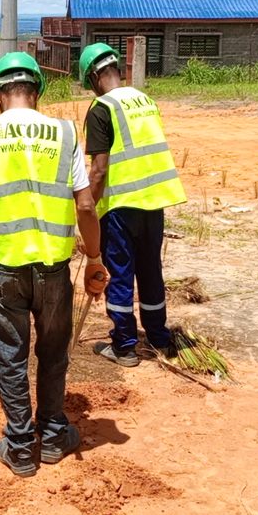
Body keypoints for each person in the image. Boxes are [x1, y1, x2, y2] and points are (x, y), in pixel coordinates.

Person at [0, 52, 109, 478]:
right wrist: (93, 258)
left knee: (11, 356)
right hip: (53, 266)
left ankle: (19, 446)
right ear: (36, 91)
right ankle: (52, 435)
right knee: (53, 352)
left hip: (3, 270)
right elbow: (86, 205)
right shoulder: (66, 133)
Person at [78, 43, 187, 367]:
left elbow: (98, 170)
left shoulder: (101, 108)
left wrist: (87, 210)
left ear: (95, 76)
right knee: (151, 272)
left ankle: (125, 346)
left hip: (121, 206)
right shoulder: (145, 101)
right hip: (154, 202)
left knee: (121, 275)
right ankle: (158, 338)